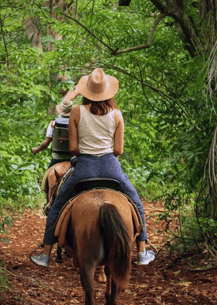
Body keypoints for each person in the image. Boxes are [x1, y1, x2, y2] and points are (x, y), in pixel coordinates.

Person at [30, 68, 155, 267]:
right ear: (108, 92)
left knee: (56, 205)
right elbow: (118, 150)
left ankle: (45, 254)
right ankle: (142, 251)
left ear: (87, 92)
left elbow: (72, 148)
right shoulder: (117, 114)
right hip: (111, 167)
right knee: (136, 202)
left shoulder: (77, 112)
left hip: (84, 169)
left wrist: (85, 155)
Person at [32, 98, 73, 169]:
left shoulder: (53, 123)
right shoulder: (77, 124)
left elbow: (46, 144)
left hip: (58, 157)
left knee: (47, 177)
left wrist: (37, 149)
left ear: (61, 110)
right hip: (74, 157)